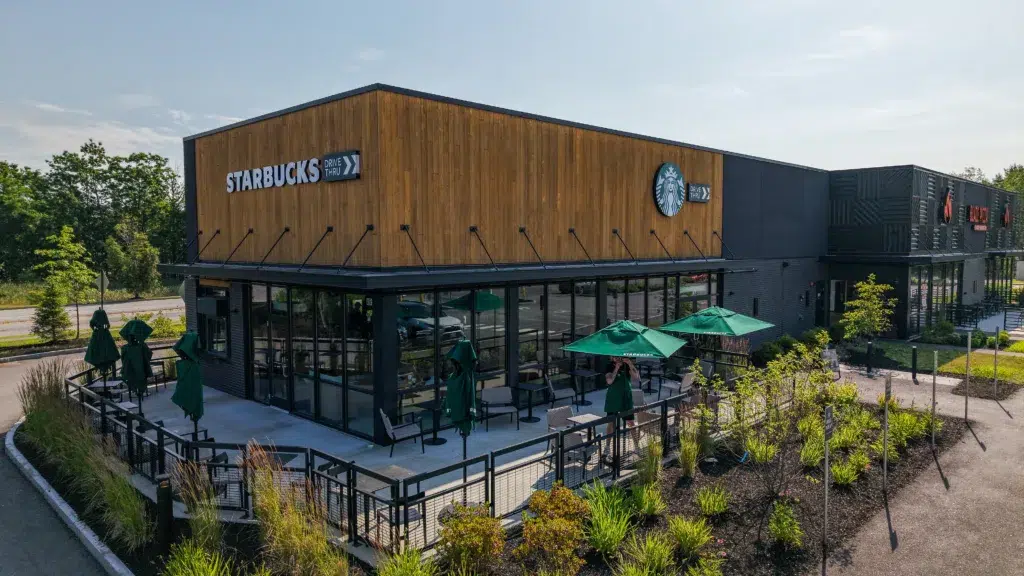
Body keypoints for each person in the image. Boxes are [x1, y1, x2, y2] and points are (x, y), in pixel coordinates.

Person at [604, 356, 639, 436]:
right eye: (614, 357)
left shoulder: (627, 365)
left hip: (626, 398)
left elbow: (636, 377)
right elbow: (609, 381)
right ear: (611, 357)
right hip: (613, 398)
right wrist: (616, 368)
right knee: (611, 422)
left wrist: (630, 363)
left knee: (630, 422)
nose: (616, 358)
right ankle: (607, 446)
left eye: (617, 356)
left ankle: (637, 447)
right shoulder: (609, 366)